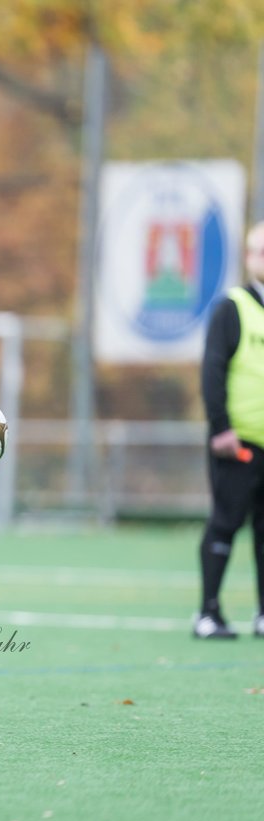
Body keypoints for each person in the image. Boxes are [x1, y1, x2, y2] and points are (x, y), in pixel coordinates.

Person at [196, 219, 264, 639]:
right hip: (236, 442)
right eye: (258, 251)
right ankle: (208, 613)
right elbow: (213, 370)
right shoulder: (233, 306)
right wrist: (220, 427)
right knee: (226, 521)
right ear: (248, 256)